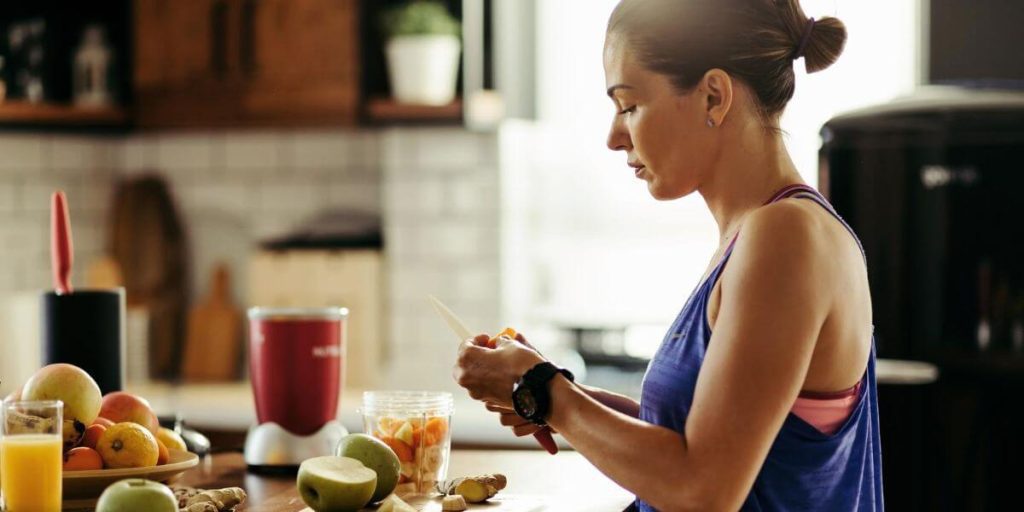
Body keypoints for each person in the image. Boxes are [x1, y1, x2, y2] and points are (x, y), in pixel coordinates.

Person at [453, 0, 882, 510]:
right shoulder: (759, 234)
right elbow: (704, 440)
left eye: (628, 105)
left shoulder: (786, 237)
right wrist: (551, 391)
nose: (614, 137)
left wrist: (541, 390)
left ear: (713, 96)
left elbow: (703, 490)